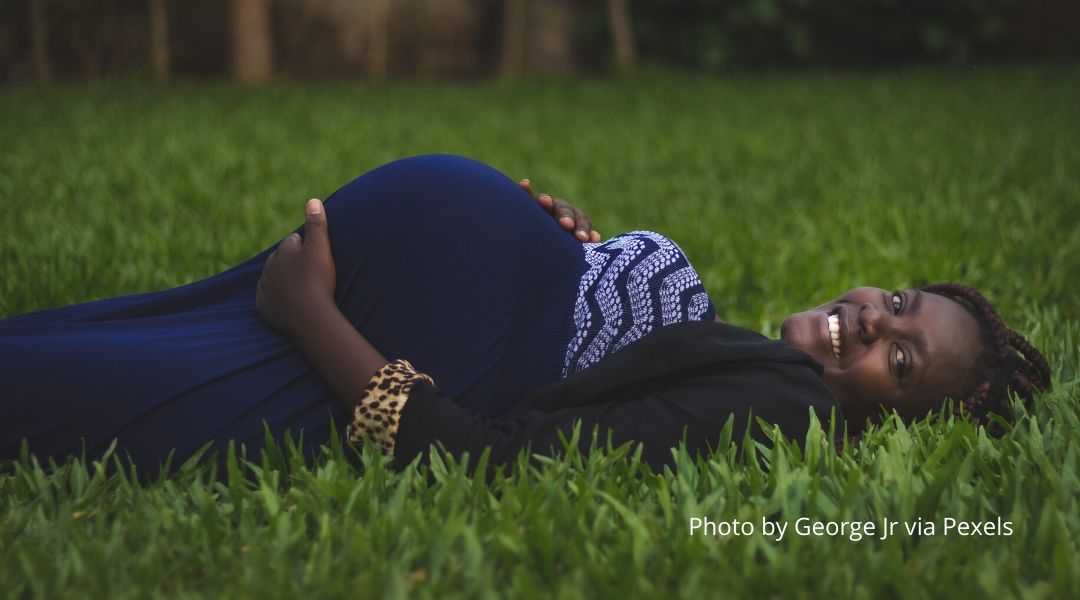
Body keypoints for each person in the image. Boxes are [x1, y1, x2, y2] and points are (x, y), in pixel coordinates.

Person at [0, 155, 1051, 476]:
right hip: (370, 288)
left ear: (907, 424)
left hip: (328, 323)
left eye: (903, 364)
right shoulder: (760, 368)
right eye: (899, 305)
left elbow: (497, 457)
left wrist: (309, 309)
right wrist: (575, 253)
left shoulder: (780, 411)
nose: (872, 323)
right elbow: (592, 347)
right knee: (94, 344)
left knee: (72, 390)